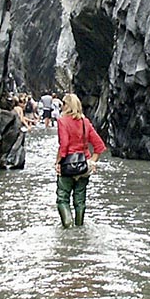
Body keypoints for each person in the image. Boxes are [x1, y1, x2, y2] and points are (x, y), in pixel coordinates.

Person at [55, 93, 106, 228]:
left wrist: (58, 162)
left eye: (63, 104)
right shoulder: (85, 122)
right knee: (80, 200)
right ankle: (79, 227)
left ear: (67, 105)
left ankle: (68, 226)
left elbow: (64, 145)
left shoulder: (62, 121)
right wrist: (92, 162)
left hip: (67, 165)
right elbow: (99, 146)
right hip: (84, 166)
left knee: (62, 198)